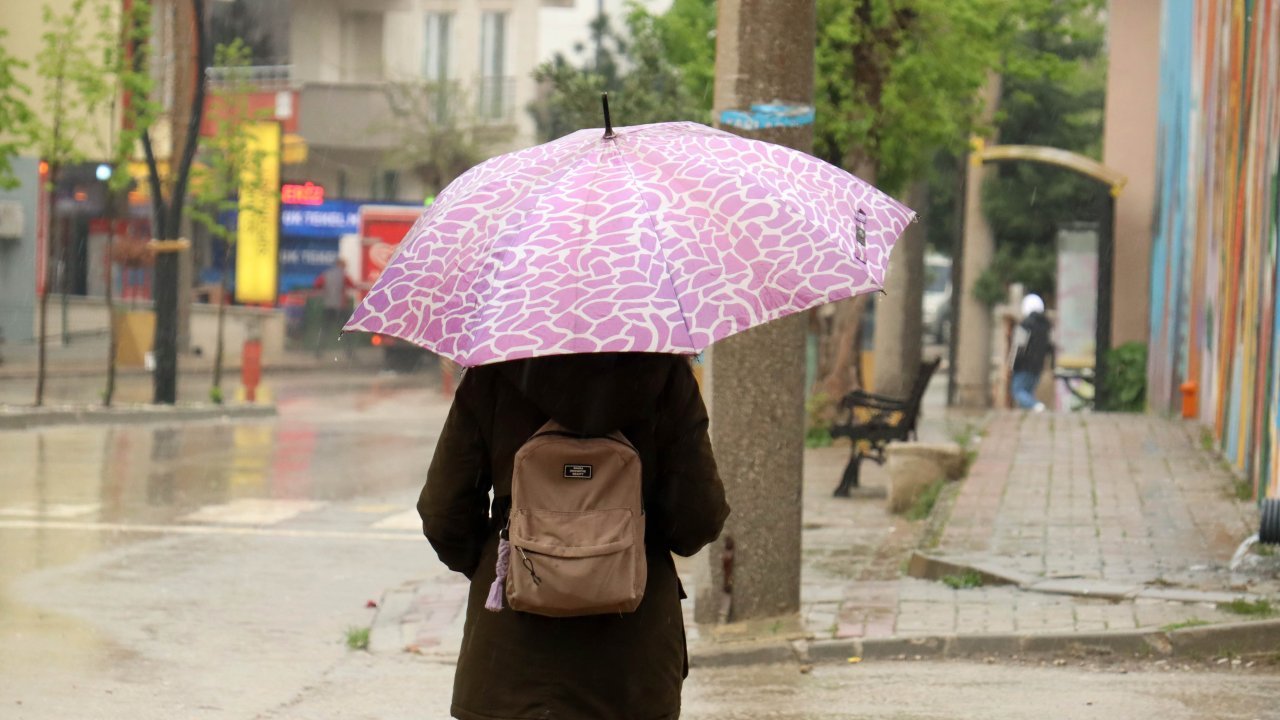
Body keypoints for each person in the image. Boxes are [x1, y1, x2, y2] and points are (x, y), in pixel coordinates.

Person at [419, 352, 730, 720]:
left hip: (511, 663)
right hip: (632, 665)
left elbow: (443, 513)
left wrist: (507, 563)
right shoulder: (664, 375)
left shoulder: (494, 373)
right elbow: (697, 519)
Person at [1010, 293, 1054, 411]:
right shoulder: (1046, 326)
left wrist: (1013, 365)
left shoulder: (1024, 325)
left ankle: (1036, 406)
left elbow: (1018, 347)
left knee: (1018, 391)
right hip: (1038, 366)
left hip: (1023, 366)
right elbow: (1050, 347)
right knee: (1029, 391)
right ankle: (1032, 411)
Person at [313, 257, 355, 357]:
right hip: (341, 307)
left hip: (328, 306)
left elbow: (317, 284)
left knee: (325, 330)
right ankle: (349, 352)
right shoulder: (344, 276)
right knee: (344, 330)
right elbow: (352, 285)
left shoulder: (326, 274)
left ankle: (319, 352)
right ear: (342, 265)